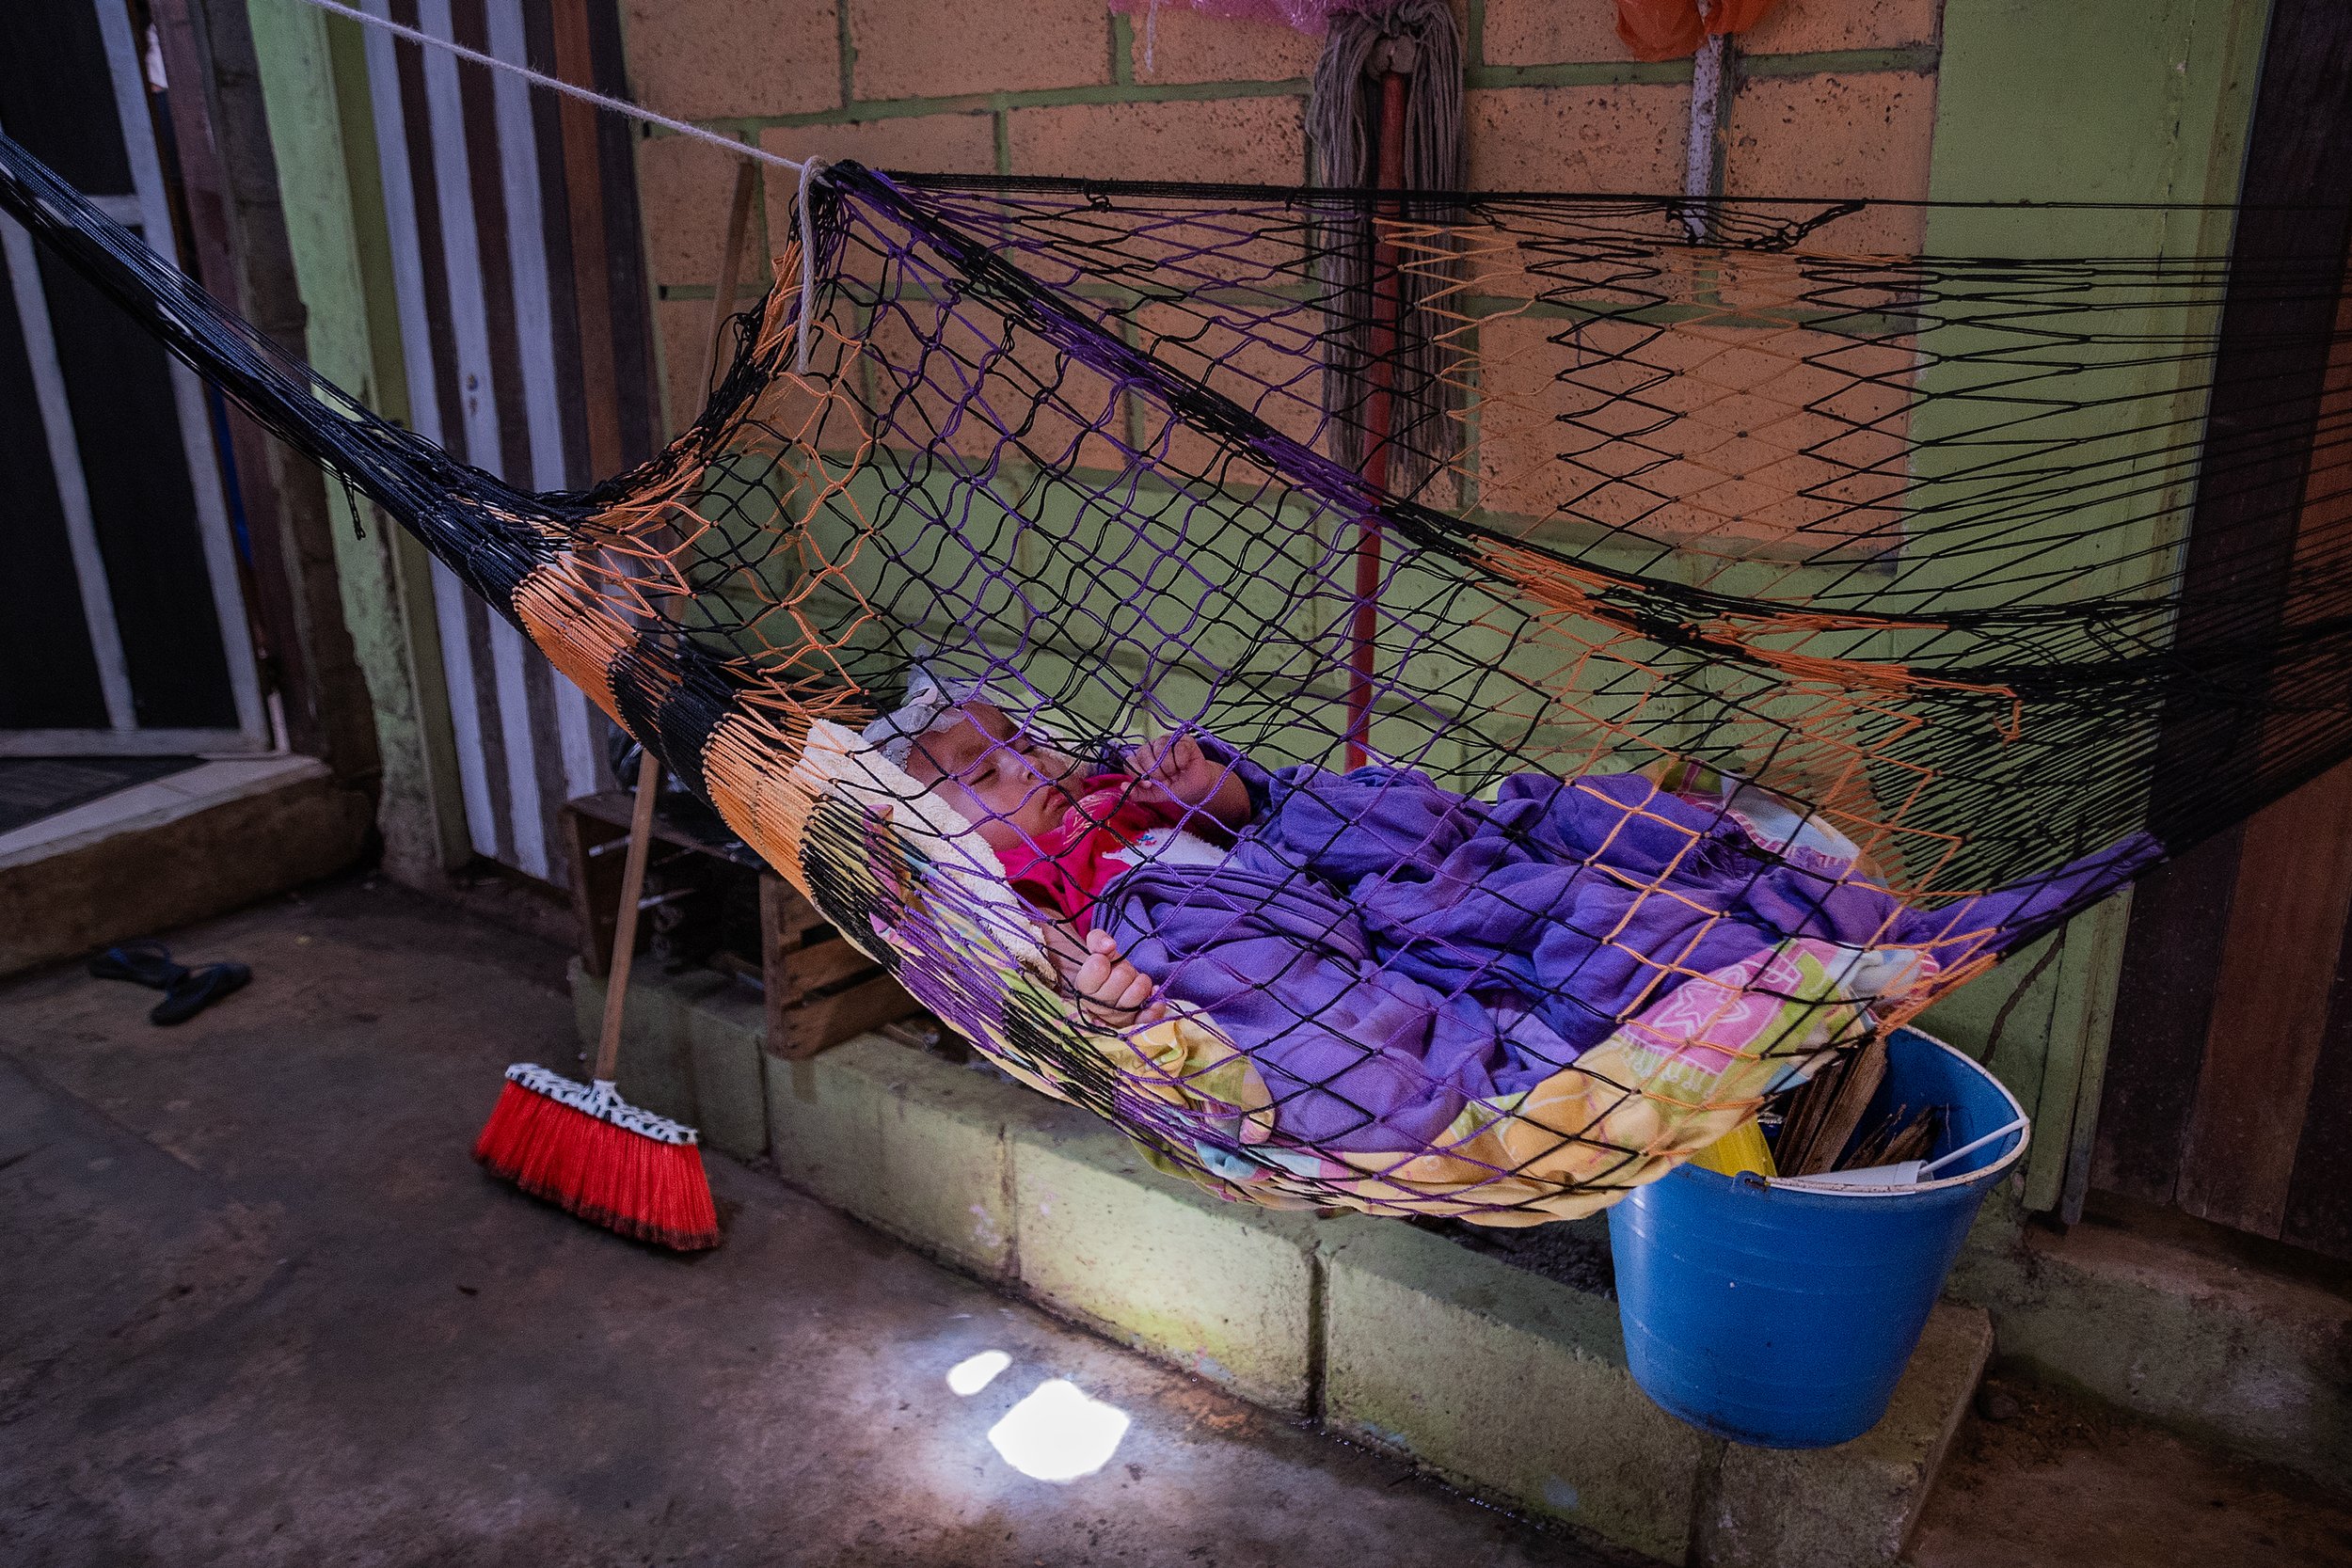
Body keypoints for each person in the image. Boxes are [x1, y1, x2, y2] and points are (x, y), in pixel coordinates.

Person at [896, 699, 1250, 1028]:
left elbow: (1233, 820)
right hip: (1202, 962)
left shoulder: (1115, 790)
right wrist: (1102, 992)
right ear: (942, 822)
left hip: (1268, 897)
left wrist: (1200, 784)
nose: (1030, 764)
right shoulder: (1010, 871)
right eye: (984, 774)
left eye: (1026, 746)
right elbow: (1058, 954)